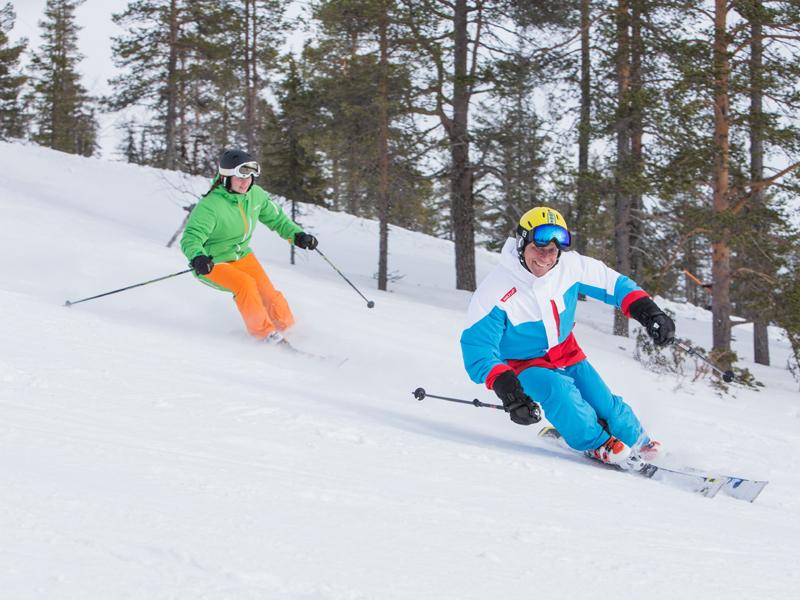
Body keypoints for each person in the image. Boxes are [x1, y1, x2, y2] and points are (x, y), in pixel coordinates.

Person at [460, 207, 675, 468]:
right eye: (538, 248)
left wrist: (649, 312)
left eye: (552, 250)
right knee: (560, 392)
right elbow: (477, 349)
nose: (545, 257)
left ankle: (638, 440)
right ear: (521, 243)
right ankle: (595, 443)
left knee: (604, 403)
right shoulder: (497, 289)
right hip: (522, 364)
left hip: (566, 352)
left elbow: (615, 285)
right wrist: (508, 389)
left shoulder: (570, 267)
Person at [180, 149, 318, 344]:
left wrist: (297, 236)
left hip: (242, 256)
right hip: (212, 262)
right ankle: (264, 335)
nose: (245, 183)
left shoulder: (255, 195)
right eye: (239, 178)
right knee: (244, 284)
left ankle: (290, 331)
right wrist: (198, 257)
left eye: (250, 177)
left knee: (269, 294)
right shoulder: (210, 206)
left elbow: (277, 219)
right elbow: (191, 238)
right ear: (226, 178)